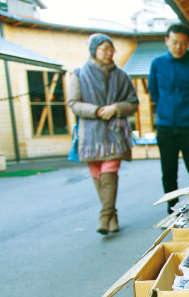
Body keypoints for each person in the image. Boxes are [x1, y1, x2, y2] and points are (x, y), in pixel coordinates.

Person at [66, 33, 138, 235]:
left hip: (115, 133)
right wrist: (96, 110)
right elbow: (73, 103)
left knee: (109, 173)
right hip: (90, 134)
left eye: (111, 49)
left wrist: (116, 108)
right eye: (103, 49)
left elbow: (133, 103)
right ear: (94, 51)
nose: (108, 53)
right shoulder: (79, 74)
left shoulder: (121, 75)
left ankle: (104, 216)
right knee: (98, 175)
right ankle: (112, 215)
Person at [148, 23, 189, 213]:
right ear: (166, 41)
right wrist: (166, 108)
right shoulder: (157, 64)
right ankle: (172, 209)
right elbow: (153, 91)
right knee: (168, 170)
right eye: (174, 42)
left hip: (188, 125)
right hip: (165, 126)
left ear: (188, 43)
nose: (178, 47)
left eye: (183, 43)